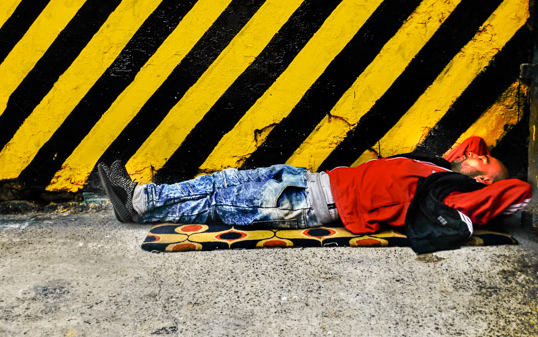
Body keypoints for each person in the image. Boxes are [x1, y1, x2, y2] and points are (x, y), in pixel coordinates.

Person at [97, 136, 532, 253]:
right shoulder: (438, 167)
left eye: (484, 162)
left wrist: (485, 180)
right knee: (222, 182)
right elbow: (471, 144)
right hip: (307, 180)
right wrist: (469, 157)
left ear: (481, 183)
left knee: (220, 200)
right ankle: (141, 197)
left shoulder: (449, 192)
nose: (477, 155)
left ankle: (137, 202)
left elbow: (518, 190)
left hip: (307, 203)